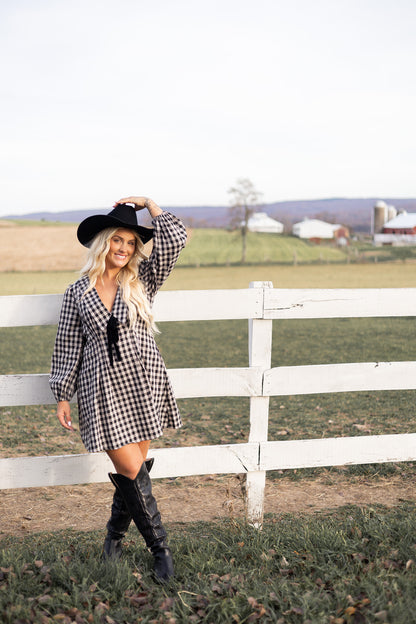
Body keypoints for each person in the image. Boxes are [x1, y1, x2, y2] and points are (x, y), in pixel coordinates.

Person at [49, 196, 187, 582]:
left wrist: (149, 204)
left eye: (131, 242)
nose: (125, 249)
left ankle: (113, 537)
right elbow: (67, 344)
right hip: (101, 390)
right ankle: (161, 550)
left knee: (133, 472)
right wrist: (62, 393)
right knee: (129, 467)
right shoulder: (77, 292)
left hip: (143, 382)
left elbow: (175, 239)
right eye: (118, 240)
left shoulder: (143, 279)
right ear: (103, 243)